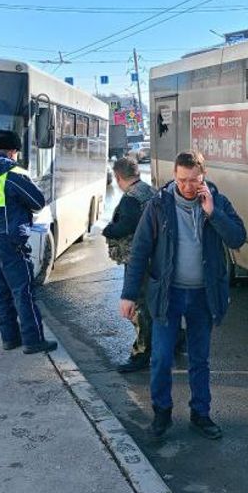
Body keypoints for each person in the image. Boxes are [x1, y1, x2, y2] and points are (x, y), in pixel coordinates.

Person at [119, 150, 246, 440]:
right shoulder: (158, 206)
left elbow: (237, 237)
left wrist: (213, 213)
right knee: (161, 358)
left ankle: (200, 414)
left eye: (194, 180)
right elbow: (139, 253)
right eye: (182, 180)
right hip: (169, 295)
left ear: (204, 176)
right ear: (174, 176)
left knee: (199, 359)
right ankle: (161, 414)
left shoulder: (218, 202)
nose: (187, 186)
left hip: (204, 296)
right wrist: (128, 295)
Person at [0, 130, 56, 355]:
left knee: (0, 291)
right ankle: (33, 340)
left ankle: (9, 339)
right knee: (22, 290)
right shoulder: (12, 172)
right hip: (8, 239)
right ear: (12, 150)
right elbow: (38, 202)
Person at [103, 157, 157, 373]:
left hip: (137, 259)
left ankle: (141, 354)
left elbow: (125, 226)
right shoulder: (149, 190)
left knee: (139, 306)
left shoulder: (130, 199)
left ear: (117, 177)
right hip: (156, 256)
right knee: (154, 303)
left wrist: (107, 230)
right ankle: (173, 341)